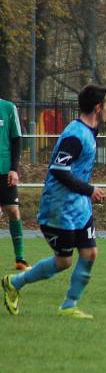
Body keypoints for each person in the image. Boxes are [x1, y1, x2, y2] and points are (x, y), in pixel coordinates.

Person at [2, 84, 106, 319]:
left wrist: (86, 193)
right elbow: (59, 169)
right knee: (63, 261)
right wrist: (90, 189)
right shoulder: (76, 135)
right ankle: (15, 282)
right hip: (59, 207)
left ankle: (69, 306)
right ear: (97, 107)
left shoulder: (91, 130)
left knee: (90, 253)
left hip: (79, 206)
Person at [0, 98, 29, 270]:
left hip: (5, 170)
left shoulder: (8, 107)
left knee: (13, 210)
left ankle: (20, 258)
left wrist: (14, 169)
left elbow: (16, 139)